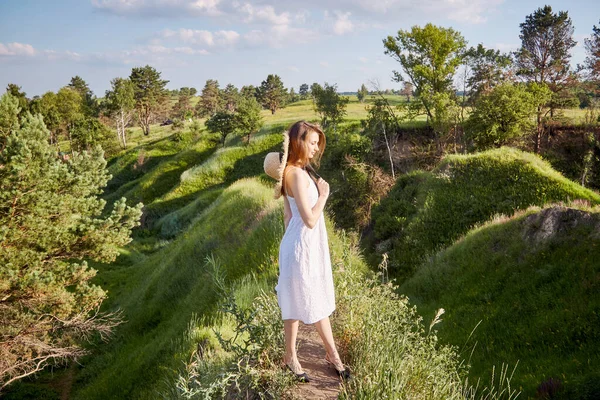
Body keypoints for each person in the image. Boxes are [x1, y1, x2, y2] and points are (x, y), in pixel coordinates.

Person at [263, 120, 350, 383]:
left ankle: (299, 356)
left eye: (316, 144)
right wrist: (323, 195)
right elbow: (310, 220)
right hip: (302, 247)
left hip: (300, 246)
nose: (315, 148)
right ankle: (327, 356)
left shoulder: (293, 172)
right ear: (299, 142)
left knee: (299, 301)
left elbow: (289, 219)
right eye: (312, 143)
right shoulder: (297, 175)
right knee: (309, 300)